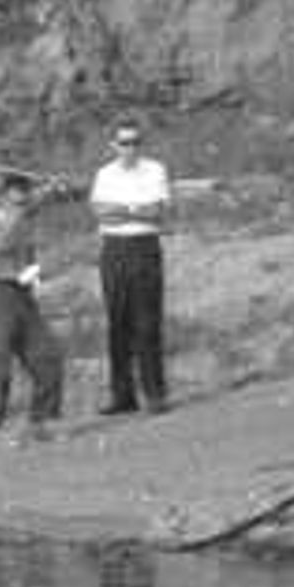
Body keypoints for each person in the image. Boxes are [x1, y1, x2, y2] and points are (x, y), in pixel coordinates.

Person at [0, 169, 63, 432]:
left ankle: (42, 420)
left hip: (23, 295)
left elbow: (28, 263)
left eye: (24, 197)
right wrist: (9, 234)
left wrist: (37, 274)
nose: (21, 203)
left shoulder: (27, 225)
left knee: (46, 356)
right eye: (15, 198)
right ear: (3, 198)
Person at [87, 116, 173, 414]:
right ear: (114, 145)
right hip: (114, 250)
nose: (131, 148)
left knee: (147, 323)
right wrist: (136, 209)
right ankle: (122, 396)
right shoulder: (104, 175)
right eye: (125, 143)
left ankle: (155, 394)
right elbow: (101, 213)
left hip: (144, 247)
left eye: (136, 142)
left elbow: (157, 212)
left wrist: (124, 211)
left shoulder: (155, 170)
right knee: (118, 324)